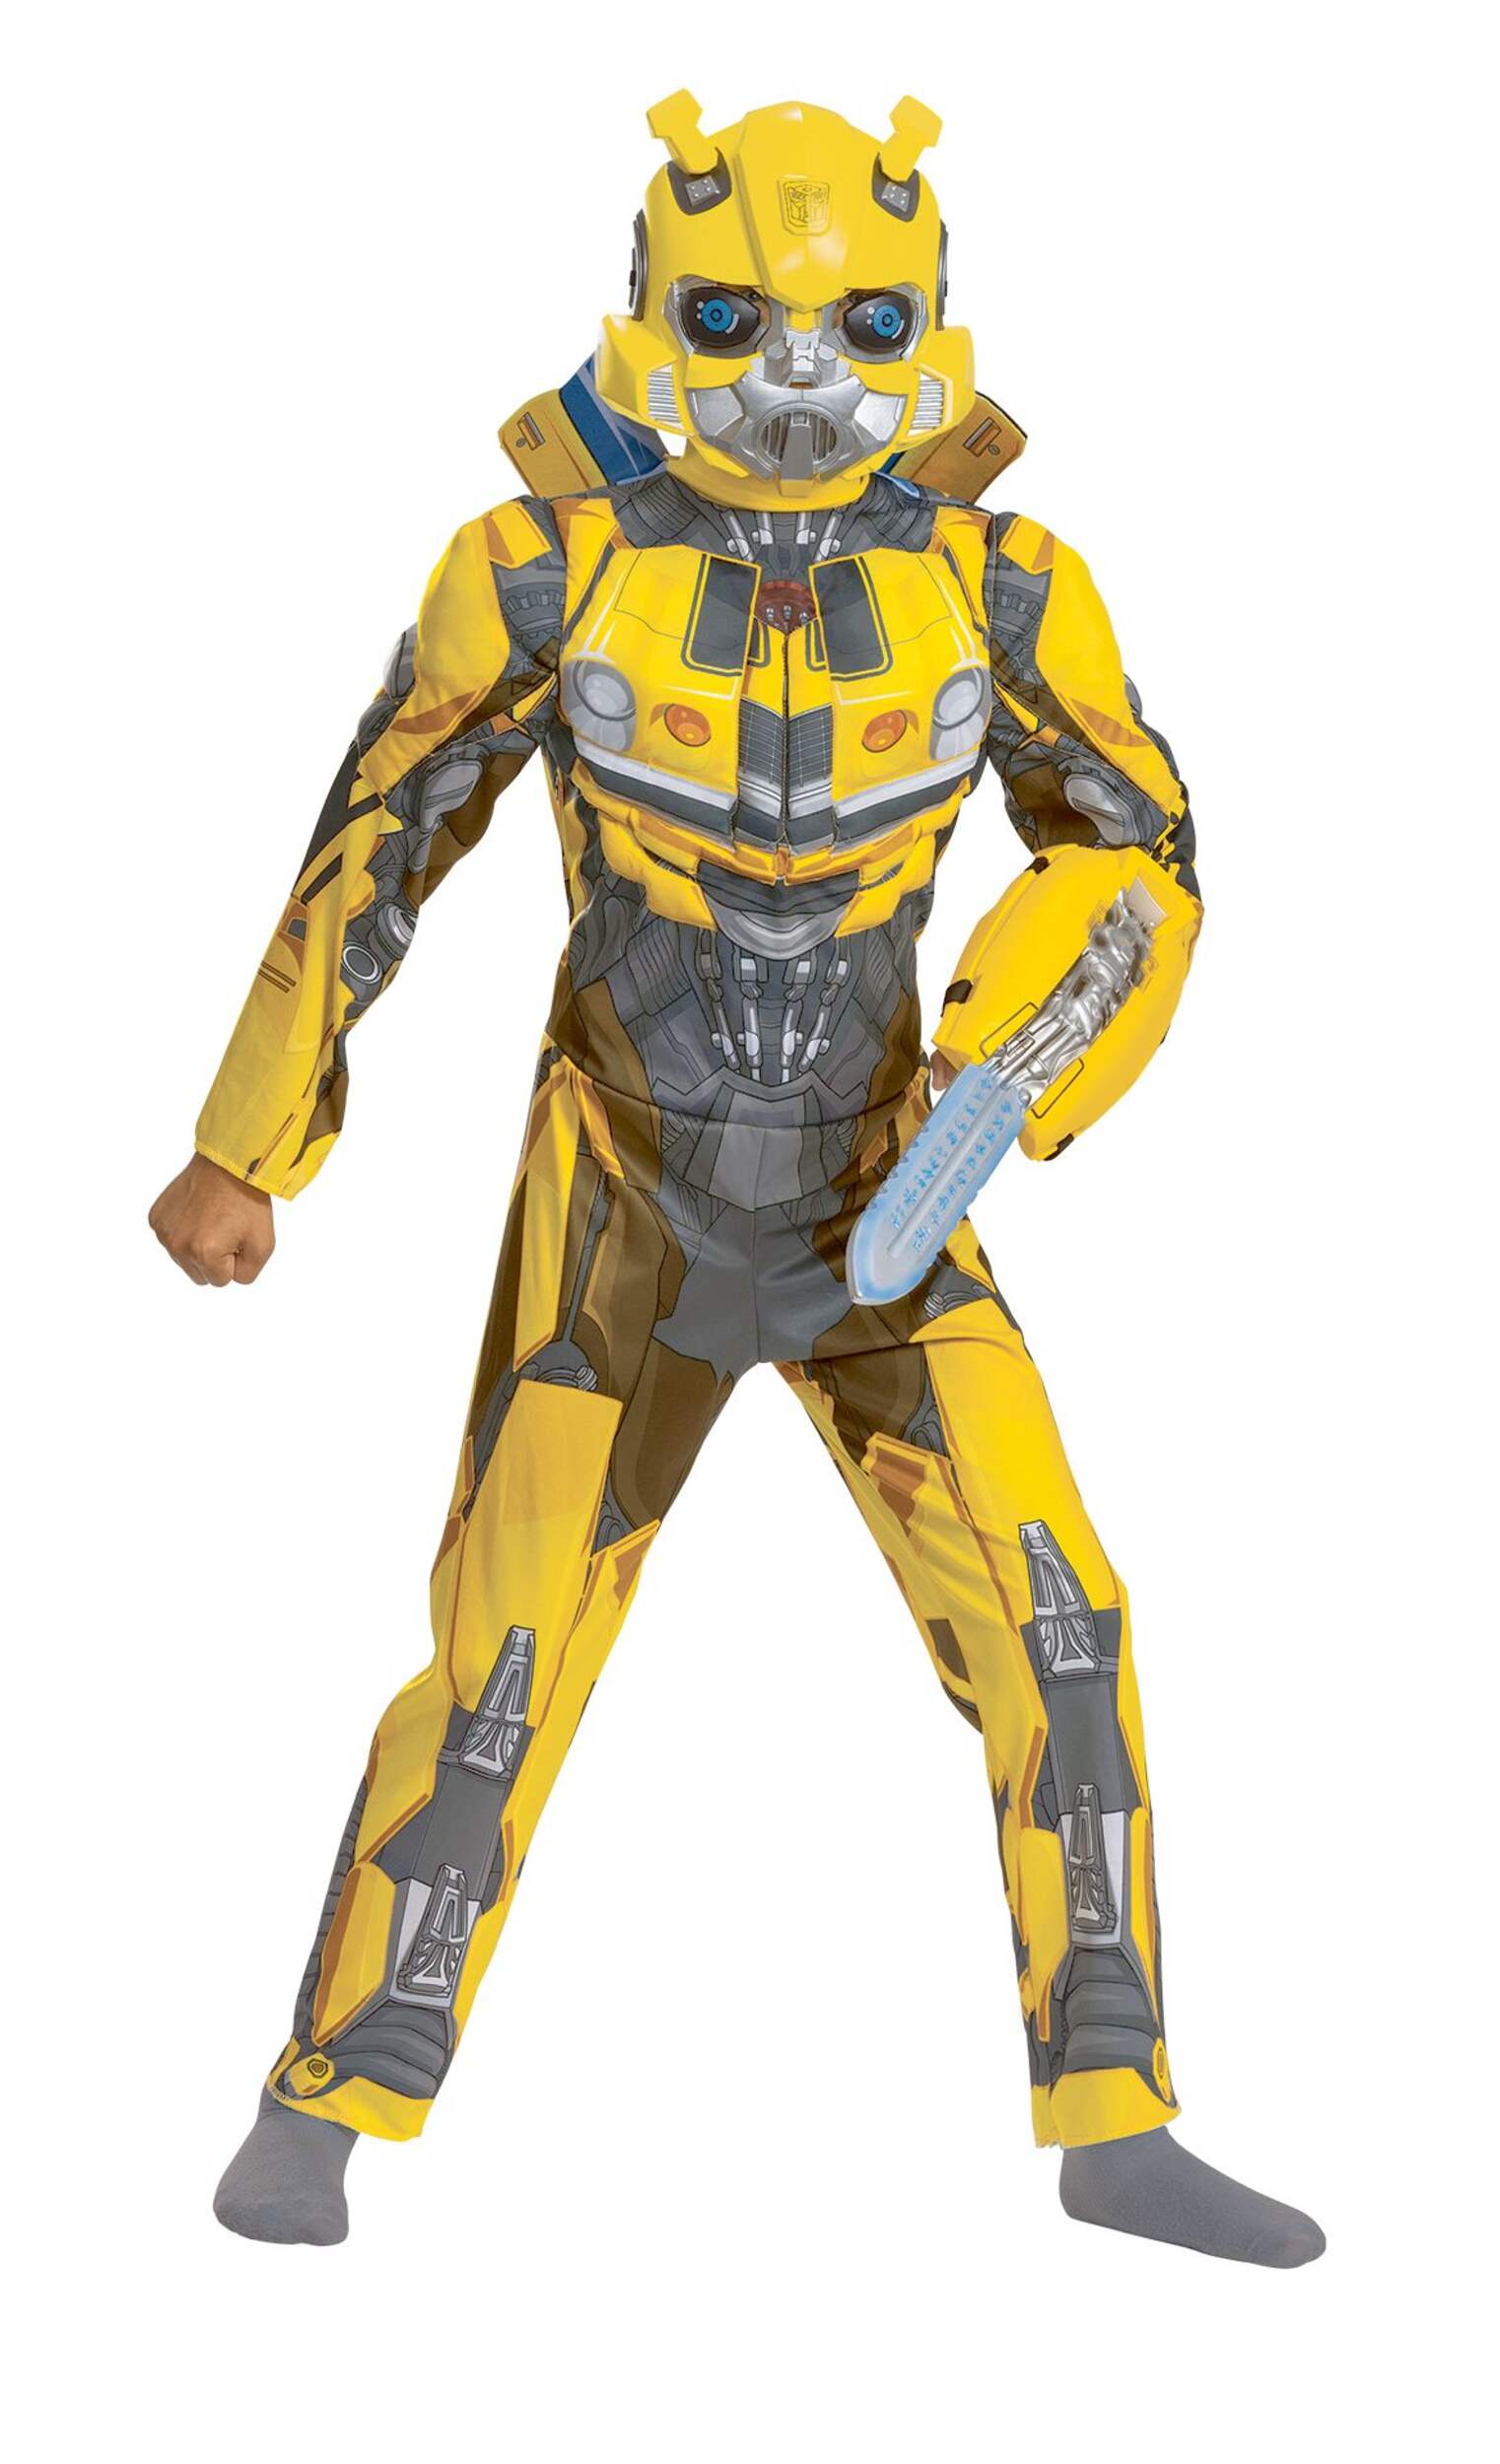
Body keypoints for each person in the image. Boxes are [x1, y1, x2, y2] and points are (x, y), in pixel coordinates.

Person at [150, 91, 1324, 2266]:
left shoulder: (1001, 581)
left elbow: (1143, 847)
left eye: (854, 324)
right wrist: (253, 1137)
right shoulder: (544, 561)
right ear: (651, 309)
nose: (794, 372)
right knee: (499, 1663)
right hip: (623, 1196)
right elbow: (382, 828)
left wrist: (1037, 1036)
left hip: (887, 1201)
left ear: (921, 323)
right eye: (736, 320)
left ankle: (1115, 2117)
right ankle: (321, 2104)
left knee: (1057, 1615)